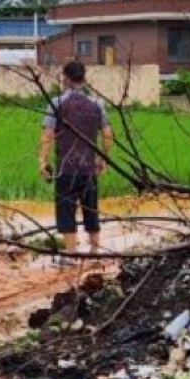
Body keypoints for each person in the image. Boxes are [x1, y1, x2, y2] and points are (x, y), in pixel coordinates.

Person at [38, 59, 113, 254]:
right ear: (83, 78)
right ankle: (94, 252)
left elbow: (47, 134)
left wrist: (43, 161)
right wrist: (103, 158)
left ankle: (71, 253)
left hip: (66, 168)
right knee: (91, 209)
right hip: (88, 168)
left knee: (66, 210)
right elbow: (107, 134)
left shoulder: (57, 104)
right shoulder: (97, 104)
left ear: (65, 78)